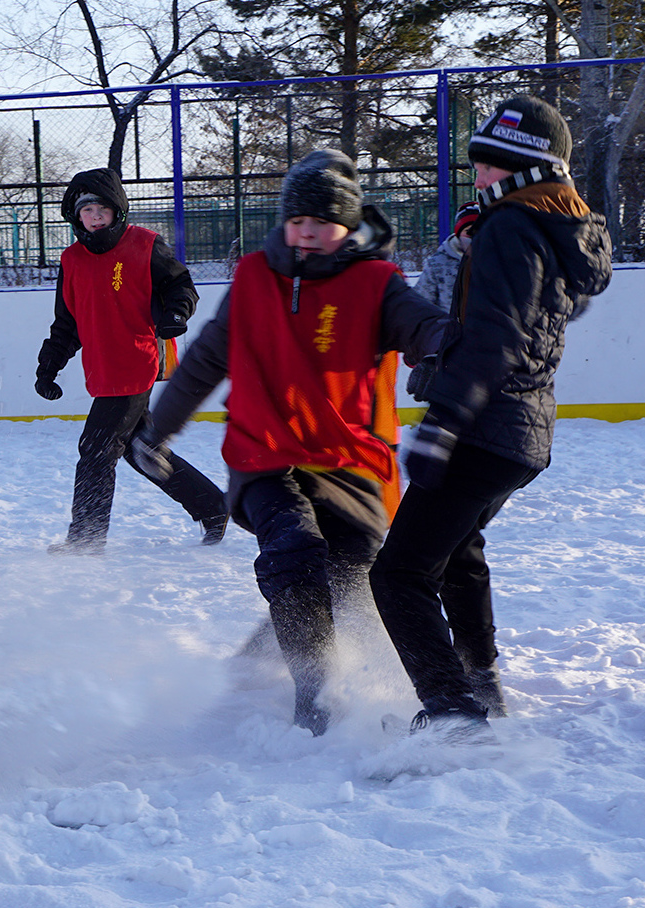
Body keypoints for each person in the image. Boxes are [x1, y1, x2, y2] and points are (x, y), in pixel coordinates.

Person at [132, 150, 450, 735]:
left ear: (348, 225)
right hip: (263, 454)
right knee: (296, 551)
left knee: (356, 574)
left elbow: (423, 324)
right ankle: (314, 689)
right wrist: (159, 428)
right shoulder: (255, 277)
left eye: (323, 221)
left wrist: (447, 347)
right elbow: (205, 358)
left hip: (346, 460)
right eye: (298, 218)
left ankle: (263, 654)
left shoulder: (375, 281)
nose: (307, 231)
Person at [368, 94, 613, 739]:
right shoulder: (549, 228)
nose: (476, 176)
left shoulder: (511, 228)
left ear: (523, 167)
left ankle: (453, 711)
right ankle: (481, 685)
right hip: (521, 432)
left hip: (482, 427)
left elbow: (496, 337)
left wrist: (443, 422)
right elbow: (536, 321)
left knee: (397, 575)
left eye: (489, 165)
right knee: (458, 552)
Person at [34, 167, 228, 553]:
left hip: (136, 362)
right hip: (102, 369)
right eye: (85, 209)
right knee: (140, 450)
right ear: (76, 216)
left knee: (96, 449)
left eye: (101, 209)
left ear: (116, 211)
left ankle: (86, 540)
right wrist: (49, 366)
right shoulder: (72, 260)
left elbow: (180, 286)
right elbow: (67, 321)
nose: (93, 216)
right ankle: (212, 505)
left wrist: (176, 314)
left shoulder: (145, 244)